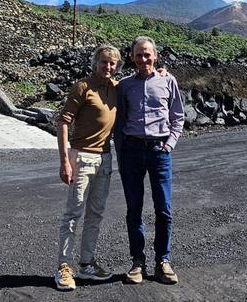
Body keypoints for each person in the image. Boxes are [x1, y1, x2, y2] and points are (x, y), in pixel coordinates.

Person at [114, 36, 185, 285]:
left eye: (147, 54)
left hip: (159, 152)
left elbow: (178, 116)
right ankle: (137, 262)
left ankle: (163, 261)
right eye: (138, 55)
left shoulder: (168, 80)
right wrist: (120, 154)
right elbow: (119, 121)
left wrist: (169, 144)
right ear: (131, 58)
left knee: (163, 209)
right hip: (132, 151)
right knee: (134, 210)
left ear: (155, 56)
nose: (143, 59)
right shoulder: (123, 86)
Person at [53, 45, 121, 291]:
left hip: (105, 158)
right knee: (73, 214)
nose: (108, 67)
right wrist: (64, 161)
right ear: (95, 63)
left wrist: (161, 71)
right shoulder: (83, 87)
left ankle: (87, 263)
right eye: (104, 62)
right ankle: (64, 267)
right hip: (81, 157)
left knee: (96, 214)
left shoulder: (116, 88)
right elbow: (63, 122)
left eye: (113, 63)